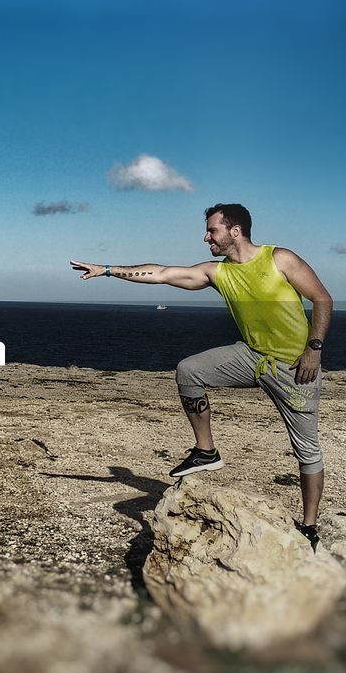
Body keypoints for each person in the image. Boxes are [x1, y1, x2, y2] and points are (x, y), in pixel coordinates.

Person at [70, 203, 332, 548]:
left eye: (212, 230)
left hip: (295, 365)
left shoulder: (280, 259)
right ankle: (206, 451)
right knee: (189, 370)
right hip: (251, 356)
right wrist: (106, 269)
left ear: (234, 231)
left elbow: (322, 298)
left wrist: (314, 348)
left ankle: (310, 526)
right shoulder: (217, 272)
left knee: (307, 450)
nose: (206, 236)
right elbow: (161, 273)